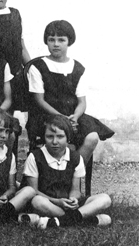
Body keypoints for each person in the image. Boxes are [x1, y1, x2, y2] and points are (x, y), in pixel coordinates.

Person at [27, 21, 114, 171]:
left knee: (92, 136)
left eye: (61, 40)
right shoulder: (38, 66)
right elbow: (39, 100)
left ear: (69, 42)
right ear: (46, 41)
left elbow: (82, 102)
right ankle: (56, 175)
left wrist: (75, 116)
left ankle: (71, 174)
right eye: (51, 40)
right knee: (57, 135)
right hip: (47, 115)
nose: (56, 44)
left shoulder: (78, 68)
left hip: (73, 116)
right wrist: (62, 117)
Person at [22, 114, 113, 229]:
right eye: (50, 136)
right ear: (44, 137)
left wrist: (73, 199)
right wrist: (57, 201)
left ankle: (63, 220)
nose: (55, 141)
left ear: (68, 138)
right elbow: (33, 191)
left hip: (66, 204)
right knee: (37, 201)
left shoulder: (75, 158)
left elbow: (75, 190)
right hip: (49, 203)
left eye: (60, 136)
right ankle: (83, 219)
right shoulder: (35, 157)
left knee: (105, 199)